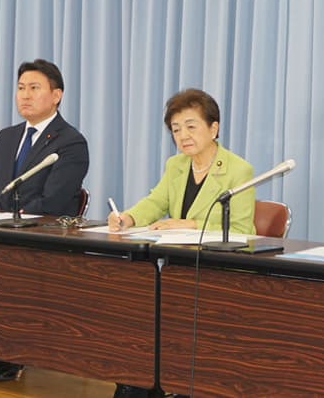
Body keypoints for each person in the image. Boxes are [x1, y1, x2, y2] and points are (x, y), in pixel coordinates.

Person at [0, 59, 89, 381]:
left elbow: (53, 202)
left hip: (40, 240)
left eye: (34, 88)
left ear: (56, 95)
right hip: (0, 233)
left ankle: (12, 351)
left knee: (9, 267)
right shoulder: (7, 137)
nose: (25, 95)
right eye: (21, 88)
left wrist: (10, 222)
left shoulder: (70, 143)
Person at [108, 88, 255, 398]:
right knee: (136, 311)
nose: (183, 135)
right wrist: (128, 218)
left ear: (213, 128)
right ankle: (140, 381)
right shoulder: (176, 165)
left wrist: (191, 225)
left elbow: (242, 231)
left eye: (191, 126)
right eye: (176, 129)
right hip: (176, 268)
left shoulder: (238, 170)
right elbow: (156, 201)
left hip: (218, 273)